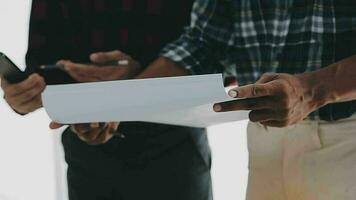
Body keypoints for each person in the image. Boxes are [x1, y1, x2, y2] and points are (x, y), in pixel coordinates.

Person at [129, 0, 355, 199]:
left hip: (348, 143)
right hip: (265, 140)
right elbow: (204, 44)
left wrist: (311, 91)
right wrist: (125, 100)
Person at [0, 1, 213, 200]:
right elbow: (44, 67)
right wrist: (24, 93)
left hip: (174, 143)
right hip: (87, 144)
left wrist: (134, 83)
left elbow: (214, 53)